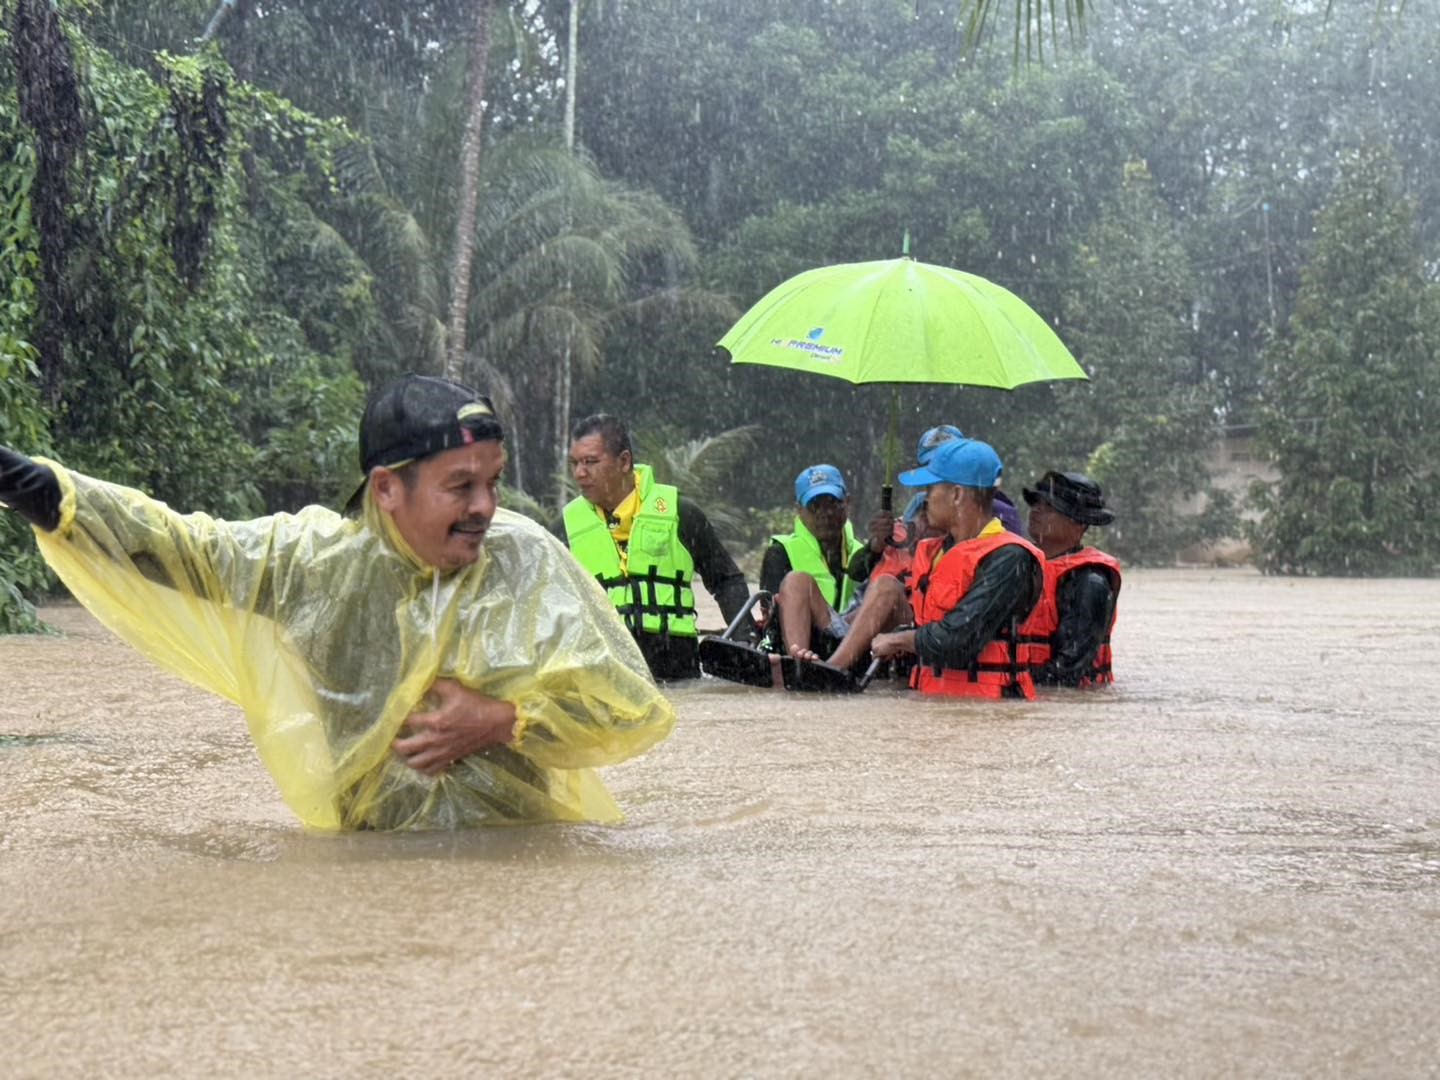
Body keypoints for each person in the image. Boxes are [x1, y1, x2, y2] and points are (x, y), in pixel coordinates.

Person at [0, 375, 675, 830]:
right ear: (386, 490)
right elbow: (180, 547)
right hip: (370, 869)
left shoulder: (521, 560)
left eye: (493, 483)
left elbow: (630, 709)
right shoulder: (310, 565)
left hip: (518, 863)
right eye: (460, 486)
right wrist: (28, 484)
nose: (485, 508)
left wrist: (503, 721)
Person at [563, 413, 752, 681]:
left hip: (677, 672)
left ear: (624, 461)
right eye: (575, 463)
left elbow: (726, 581)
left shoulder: (681, 513)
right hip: (603, 677)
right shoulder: (567, 527)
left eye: (591, 462)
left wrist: (745, 643)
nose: (580, 473)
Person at [871, 438, 1044, 699]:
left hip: (990, 715)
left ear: (956, 494)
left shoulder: (1010, 558)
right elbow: (928, 628)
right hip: (936, 702)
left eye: (930, 490)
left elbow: (959, 640)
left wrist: (897, 640)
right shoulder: (937, 552)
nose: (924, 499)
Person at [1017, 470, 1121, 687]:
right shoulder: (1019, 564)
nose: (1036, 511)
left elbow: (1069, 670)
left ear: (1079, 523)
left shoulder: (1089, 583)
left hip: (1065, 703)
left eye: (1049, 507)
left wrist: (1012, 681)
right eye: (1036, 503)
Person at [903, 424, 1026, 537]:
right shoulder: (917, 509)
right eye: (930, 464)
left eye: (949, 463)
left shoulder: (1000, 516)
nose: (938, 470)